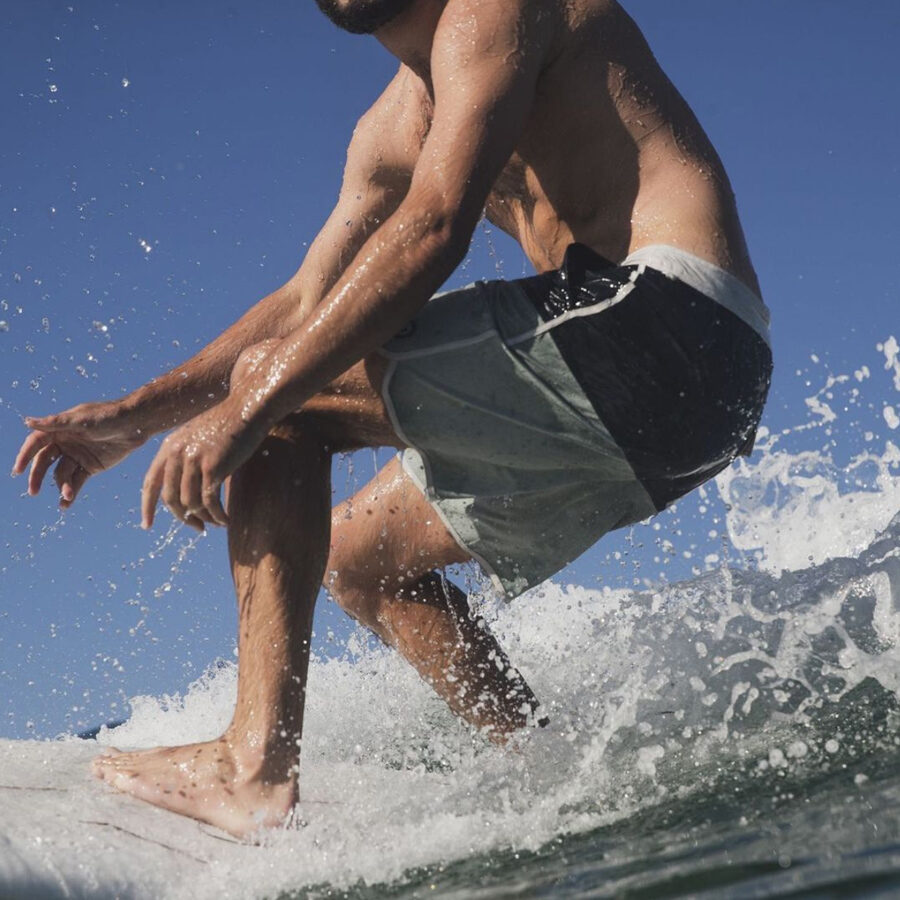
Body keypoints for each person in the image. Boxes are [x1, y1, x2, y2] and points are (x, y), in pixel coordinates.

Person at [12, 0, 771, 838]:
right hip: (675, 407)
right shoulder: (392, 129)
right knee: (360, 564)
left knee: (283, 395)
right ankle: (558, 780)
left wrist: (255, 405)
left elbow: (436, 225)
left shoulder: (496, 12)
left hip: (677, 325)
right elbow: (306, 302)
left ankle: (253, 767)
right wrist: (133, 417)